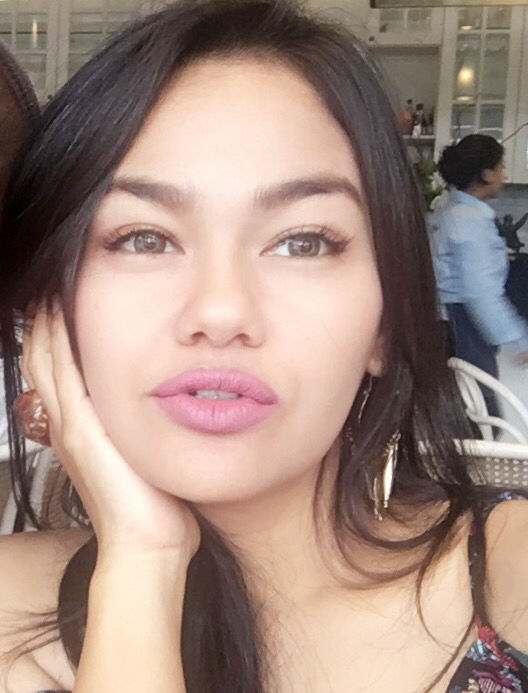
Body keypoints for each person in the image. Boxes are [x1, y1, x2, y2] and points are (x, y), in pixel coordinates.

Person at [0, 2, 527, 692]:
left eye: (303, 242)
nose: (222, 312)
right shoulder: (11, 611)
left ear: (385, 322)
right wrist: (141, 562)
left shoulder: (512, 572)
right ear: (47, 314)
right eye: (144, 238)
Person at [428, 134, 528, 417]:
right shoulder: (470, 219)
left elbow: (453, 262)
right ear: (486, 174)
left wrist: (494, 254)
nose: (503, 175)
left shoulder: (450, 208)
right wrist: (517, 340)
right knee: (483, 417)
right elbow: (480, 291)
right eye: (501, 167)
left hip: (447, 322)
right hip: (465, 324)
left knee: (460, 410)